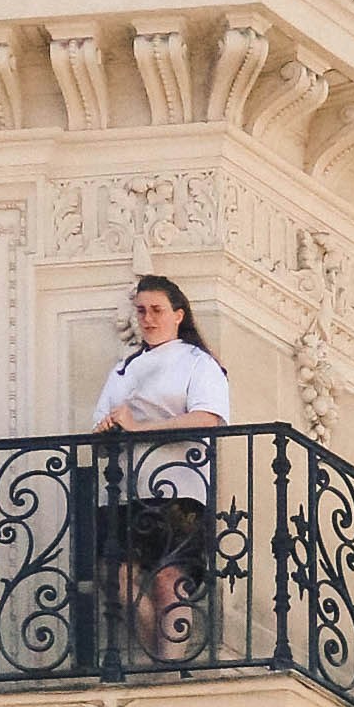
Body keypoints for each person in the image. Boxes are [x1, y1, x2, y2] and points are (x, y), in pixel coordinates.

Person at [92, 275, 231, 663]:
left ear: (177, 315)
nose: (148, 319)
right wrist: (108, 429)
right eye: (141, 311)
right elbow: (99, 424)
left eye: (156, 310)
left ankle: (167, 663)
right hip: (126, 486)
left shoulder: (196, 361)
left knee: (170, 577)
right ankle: (161, 658)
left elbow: (209, 418)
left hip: (179, 485)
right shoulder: (123, 368)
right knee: (117, 577)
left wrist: (140, 428)